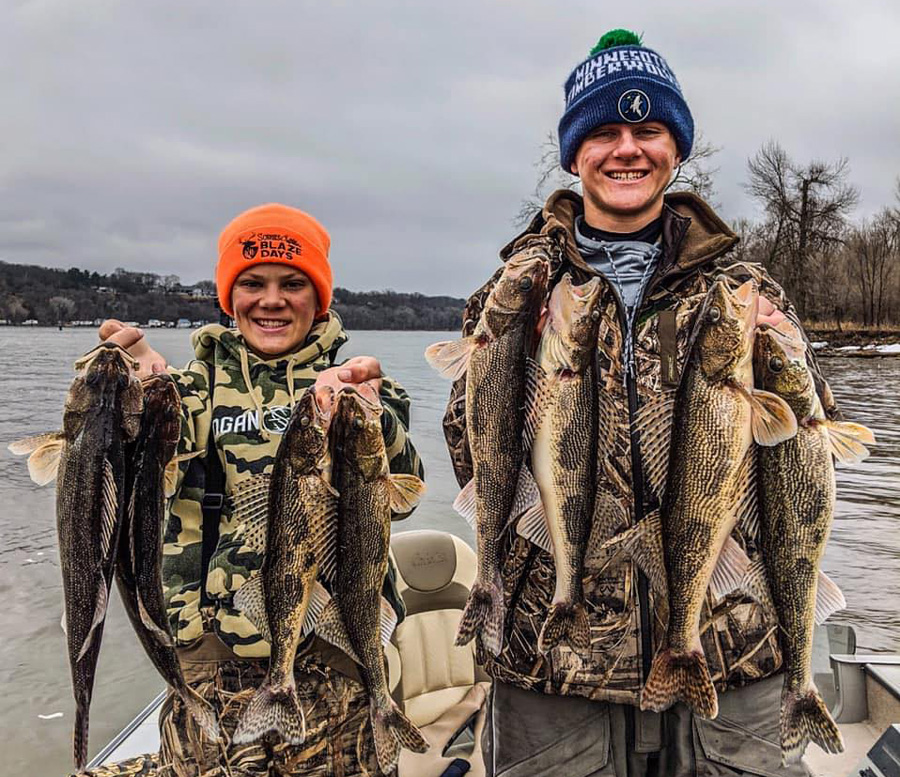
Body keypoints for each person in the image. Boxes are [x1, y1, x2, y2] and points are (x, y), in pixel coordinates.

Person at [442, 29, 838, 777]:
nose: (627, 149)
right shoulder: (515, 293)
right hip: (553, 660)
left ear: (675, 149)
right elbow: (473, 452)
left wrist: (783, 361)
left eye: (648, 130)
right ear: (574, 154)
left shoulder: (745, 293)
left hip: (731, 649)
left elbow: (805, 452)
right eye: (604, 132)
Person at [86, 203, 423, 777]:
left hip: (334, 661)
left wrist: (368, 412)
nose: (272, 300)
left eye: (293, 284)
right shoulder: (189, 390)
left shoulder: (360, 387)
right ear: (228, 296)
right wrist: (136, 392)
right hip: (207, 666)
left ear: (319, 299)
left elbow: (404, 490)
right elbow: (142, 455)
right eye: (252, 283)